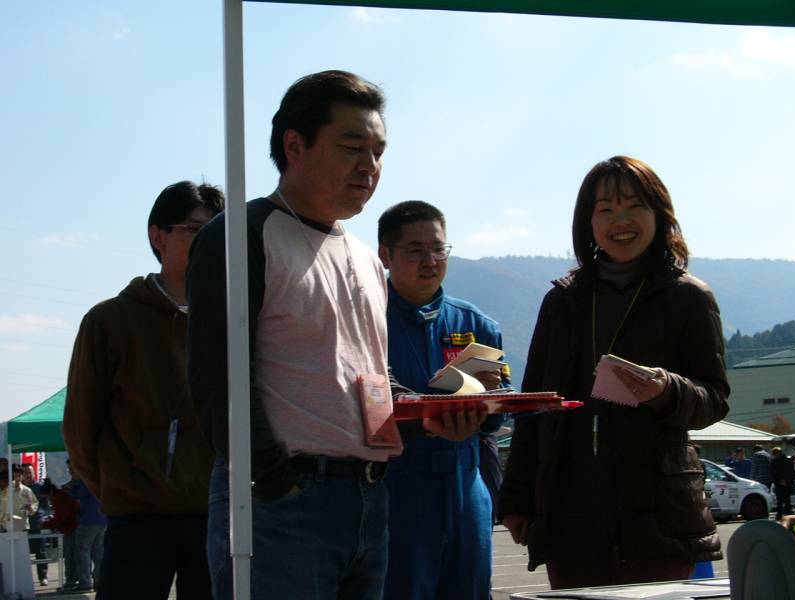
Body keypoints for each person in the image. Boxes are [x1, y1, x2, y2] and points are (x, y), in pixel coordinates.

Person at [187, 70, 402, 600]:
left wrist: (435, 411)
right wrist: (275, 480)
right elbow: (216, 379)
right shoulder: (240, 236)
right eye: (351, 147)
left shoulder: (367, 258)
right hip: (282, 505)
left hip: (369, 497)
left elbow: (366, 378)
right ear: (295, 145)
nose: (369, 166)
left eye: (378, 152)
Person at [499, 156, 730, 589]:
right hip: (570, 515)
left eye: (634, 206)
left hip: (659, 517)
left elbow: (714, 399)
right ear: (588, 222)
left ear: (659, 214)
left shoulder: (688, 297)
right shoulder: (563, 301)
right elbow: (533, 406)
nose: (620, 221)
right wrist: (516, 498)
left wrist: (667, 390)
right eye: (605, 209)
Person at [63, 180, 224, 600]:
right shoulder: (110, 321)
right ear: (158, 235)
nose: (209, 241)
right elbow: (80, 429)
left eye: (217, 231)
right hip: (138, 518)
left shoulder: (237, 321)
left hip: (218, 513)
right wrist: (121, 491)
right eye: (195, 229)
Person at [377, 200, 509, 599]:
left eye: (438, 249)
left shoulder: (477, 324)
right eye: (416, 251)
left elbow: (498, 413)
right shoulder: (366, 319)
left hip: (466, 484)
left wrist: (489, 402)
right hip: (397, 488)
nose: (430, 261)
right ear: (385, 255)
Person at [64, 461, 107, 592]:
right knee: (98, 553)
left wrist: (70, 488)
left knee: (82, 552)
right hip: (102, 520)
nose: (71, 472)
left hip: (88, 521)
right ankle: (99, 582)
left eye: (72, 469)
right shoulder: (97, 478)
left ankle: (85, 582)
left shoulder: (85, 481)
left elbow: (79, 496)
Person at [40, 478, 80, 590]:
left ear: (50, 493)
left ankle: (71, 581)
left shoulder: (60, 497)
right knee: (72, 555)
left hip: (72, 528)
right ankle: (74, 580)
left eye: (47, 497)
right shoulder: (61, 495)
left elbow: (61, 518)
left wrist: (45, 524)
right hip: (72, 527)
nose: (48, 500)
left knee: (70, 555)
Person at [22, 463, 50, 586]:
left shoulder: (39, 487)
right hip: (23, 525)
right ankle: (24, 579)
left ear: (34, 473)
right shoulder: (18, 488)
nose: (28, 475)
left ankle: (43, 577)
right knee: (23, 553)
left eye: (30, 472)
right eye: (26, 473)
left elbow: (46, 506)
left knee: (41, 552)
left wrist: (43, 516)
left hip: (38, 524)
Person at [0, 464, 38, 531]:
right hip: (6, 527)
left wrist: (30, 508)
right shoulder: (4, 491)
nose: (17, 478)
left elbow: (35, 504)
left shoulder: (27, 490)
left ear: (22, 476)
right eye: (15, 476)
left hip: (22, 526)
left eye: (19, 476)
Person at [771, 446, 794, 520]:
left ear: (775, 453)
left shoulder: (775, 460)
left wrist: (780, 480)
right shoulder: (788, 460)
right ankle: (788, 513)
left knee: (779, 500)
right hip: (787, 482)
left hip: (779, 482)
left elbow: (774, 472)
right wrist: (787, 480)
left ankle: (779, 514)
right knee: (787, 499)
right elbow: (791, 471)